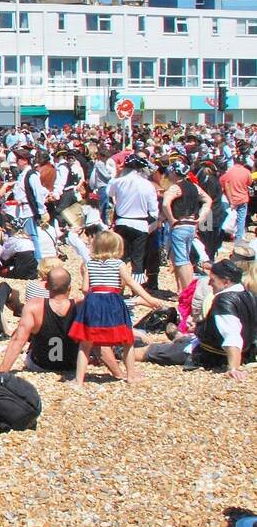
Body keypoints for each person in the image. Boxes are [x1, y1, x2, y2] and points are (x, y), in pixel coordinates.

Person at [70, 230, 166, 386]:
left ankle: (78, 380)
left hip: (93, 302)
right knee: (126, 340)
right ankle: (131, 376)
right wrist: (150, 299)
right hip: (112, 301)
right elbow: (132, 283)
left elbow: (85, 288)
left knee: (86, 342)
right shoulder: (119, 264)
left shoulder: (89, 264)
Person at [136, 258, 256, 378]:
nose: (209, 284)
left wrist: (233, 368)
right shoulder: (248, 295)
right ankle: (179, 337)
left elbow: (232, 335)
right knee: (187, 337)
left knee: (153, 351)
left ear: (225, 282)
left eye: (212, 280)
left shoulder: (224, 300)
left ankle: (122, 352)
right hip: (243, 352)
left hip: (210, 354)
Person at [161, 160, 211, 293]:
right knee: (185, 258)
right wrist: (201, 218)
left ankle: (187, 291)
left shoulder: (175, 187)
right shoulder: (194, 186)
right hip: (191, 224)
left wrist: (171, 219)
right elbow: (207, 200)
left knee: (181, 260)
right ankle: (186, 289)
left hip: (180, 224)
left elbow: (166, 204)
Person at [108, 155, 159, 284]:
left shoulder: (118, 182)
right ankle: (136, 288)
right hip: (140, 224)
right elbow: (153, 209)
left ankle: (119, 284)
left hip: (122, 222)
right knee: (138, 258)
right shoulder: (148, 185)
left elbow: (110, 193)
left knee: (121, 257)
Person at [219, 151, 251, 242]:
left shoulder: (229, 171)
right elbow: (249, 182)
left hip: (231, 199)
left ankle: (224, 235)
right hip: (243, 198)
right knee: (241, 219)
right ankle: (239, 238)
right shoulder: (247, 172)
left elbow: (221, 181)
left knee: (227, 217)